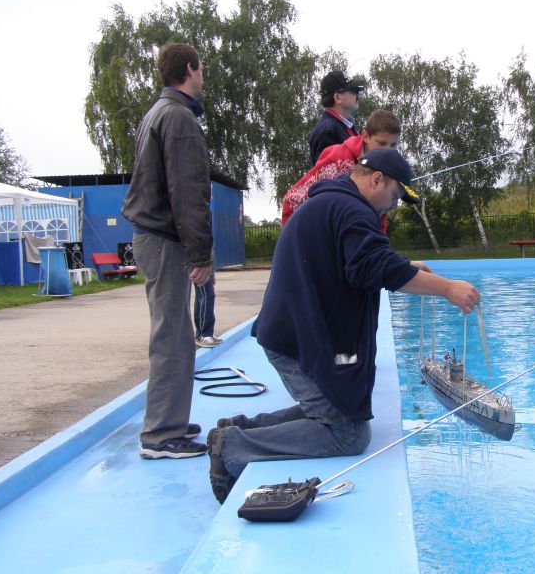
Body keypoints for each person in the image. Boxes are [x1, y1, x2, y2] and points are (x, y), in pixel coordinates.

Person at [207, 149, 480, 502]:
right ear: (376, 179)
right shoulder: (351, 209)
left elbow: (355, 256)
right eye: (395, 196)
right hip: (295, 340)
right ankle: (232, 445)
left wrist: (403, 263)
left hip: (291, 331)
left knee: (338, 411)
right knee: (349, 435)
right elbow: (372, 267)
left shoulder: (336, 203)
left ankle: (240, 426)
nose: (393, 206)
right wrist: (446, 288)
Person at [122, 42, 213, 460]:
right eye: (201, 68)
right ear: (190, 69)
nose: (202, 75)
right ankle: (161, 435)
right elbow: (187, 192)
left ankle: (170, 419)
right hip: (165, 239)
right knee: (173, 338)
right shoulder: (178, 118)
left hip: (153, 236)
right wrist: (199, 254)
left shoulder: (157, 112)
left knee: (176, 334)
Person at [283, 109, 401, 232]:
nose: (388, 150)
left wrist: (379, 242)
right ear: (365, 136)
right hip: (321, 234)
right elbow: (293, 200)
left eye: (393, 145)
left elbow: (381, 210)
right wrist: (293, 242)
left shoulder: (385, 167)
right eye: (382, 143)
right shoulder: (338, 158)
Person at [308, 70, 363, 164]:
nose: (358, 94)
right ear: (338, 97)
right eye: (354, 91)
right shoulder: (328, 131)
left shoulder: (342, 125)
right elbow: (330, 175)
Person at [194, 272, 222, 348]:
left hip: (202, 265)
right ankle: (205, 334)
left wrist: (212, 274)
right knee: (207, 296)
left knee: (201, 296)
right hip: (199, 265)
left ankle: (200, 335)